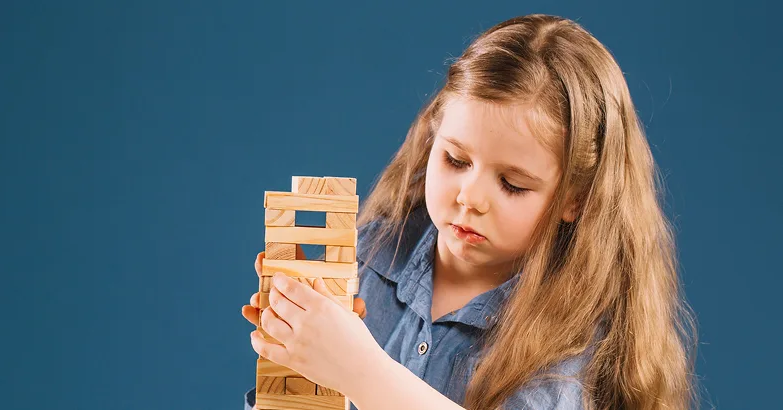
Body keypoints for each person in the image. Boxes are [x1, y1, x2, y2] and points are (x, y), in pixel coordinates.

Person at [241, 14, 700, 410]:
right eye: (455, 161)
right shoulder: (369, 256)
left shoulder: (572, 343)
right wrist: (292, 353)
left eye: (512, 184)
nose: (470, 197)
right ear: (432, 136)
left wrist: (359, 370)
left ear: (575, 200)